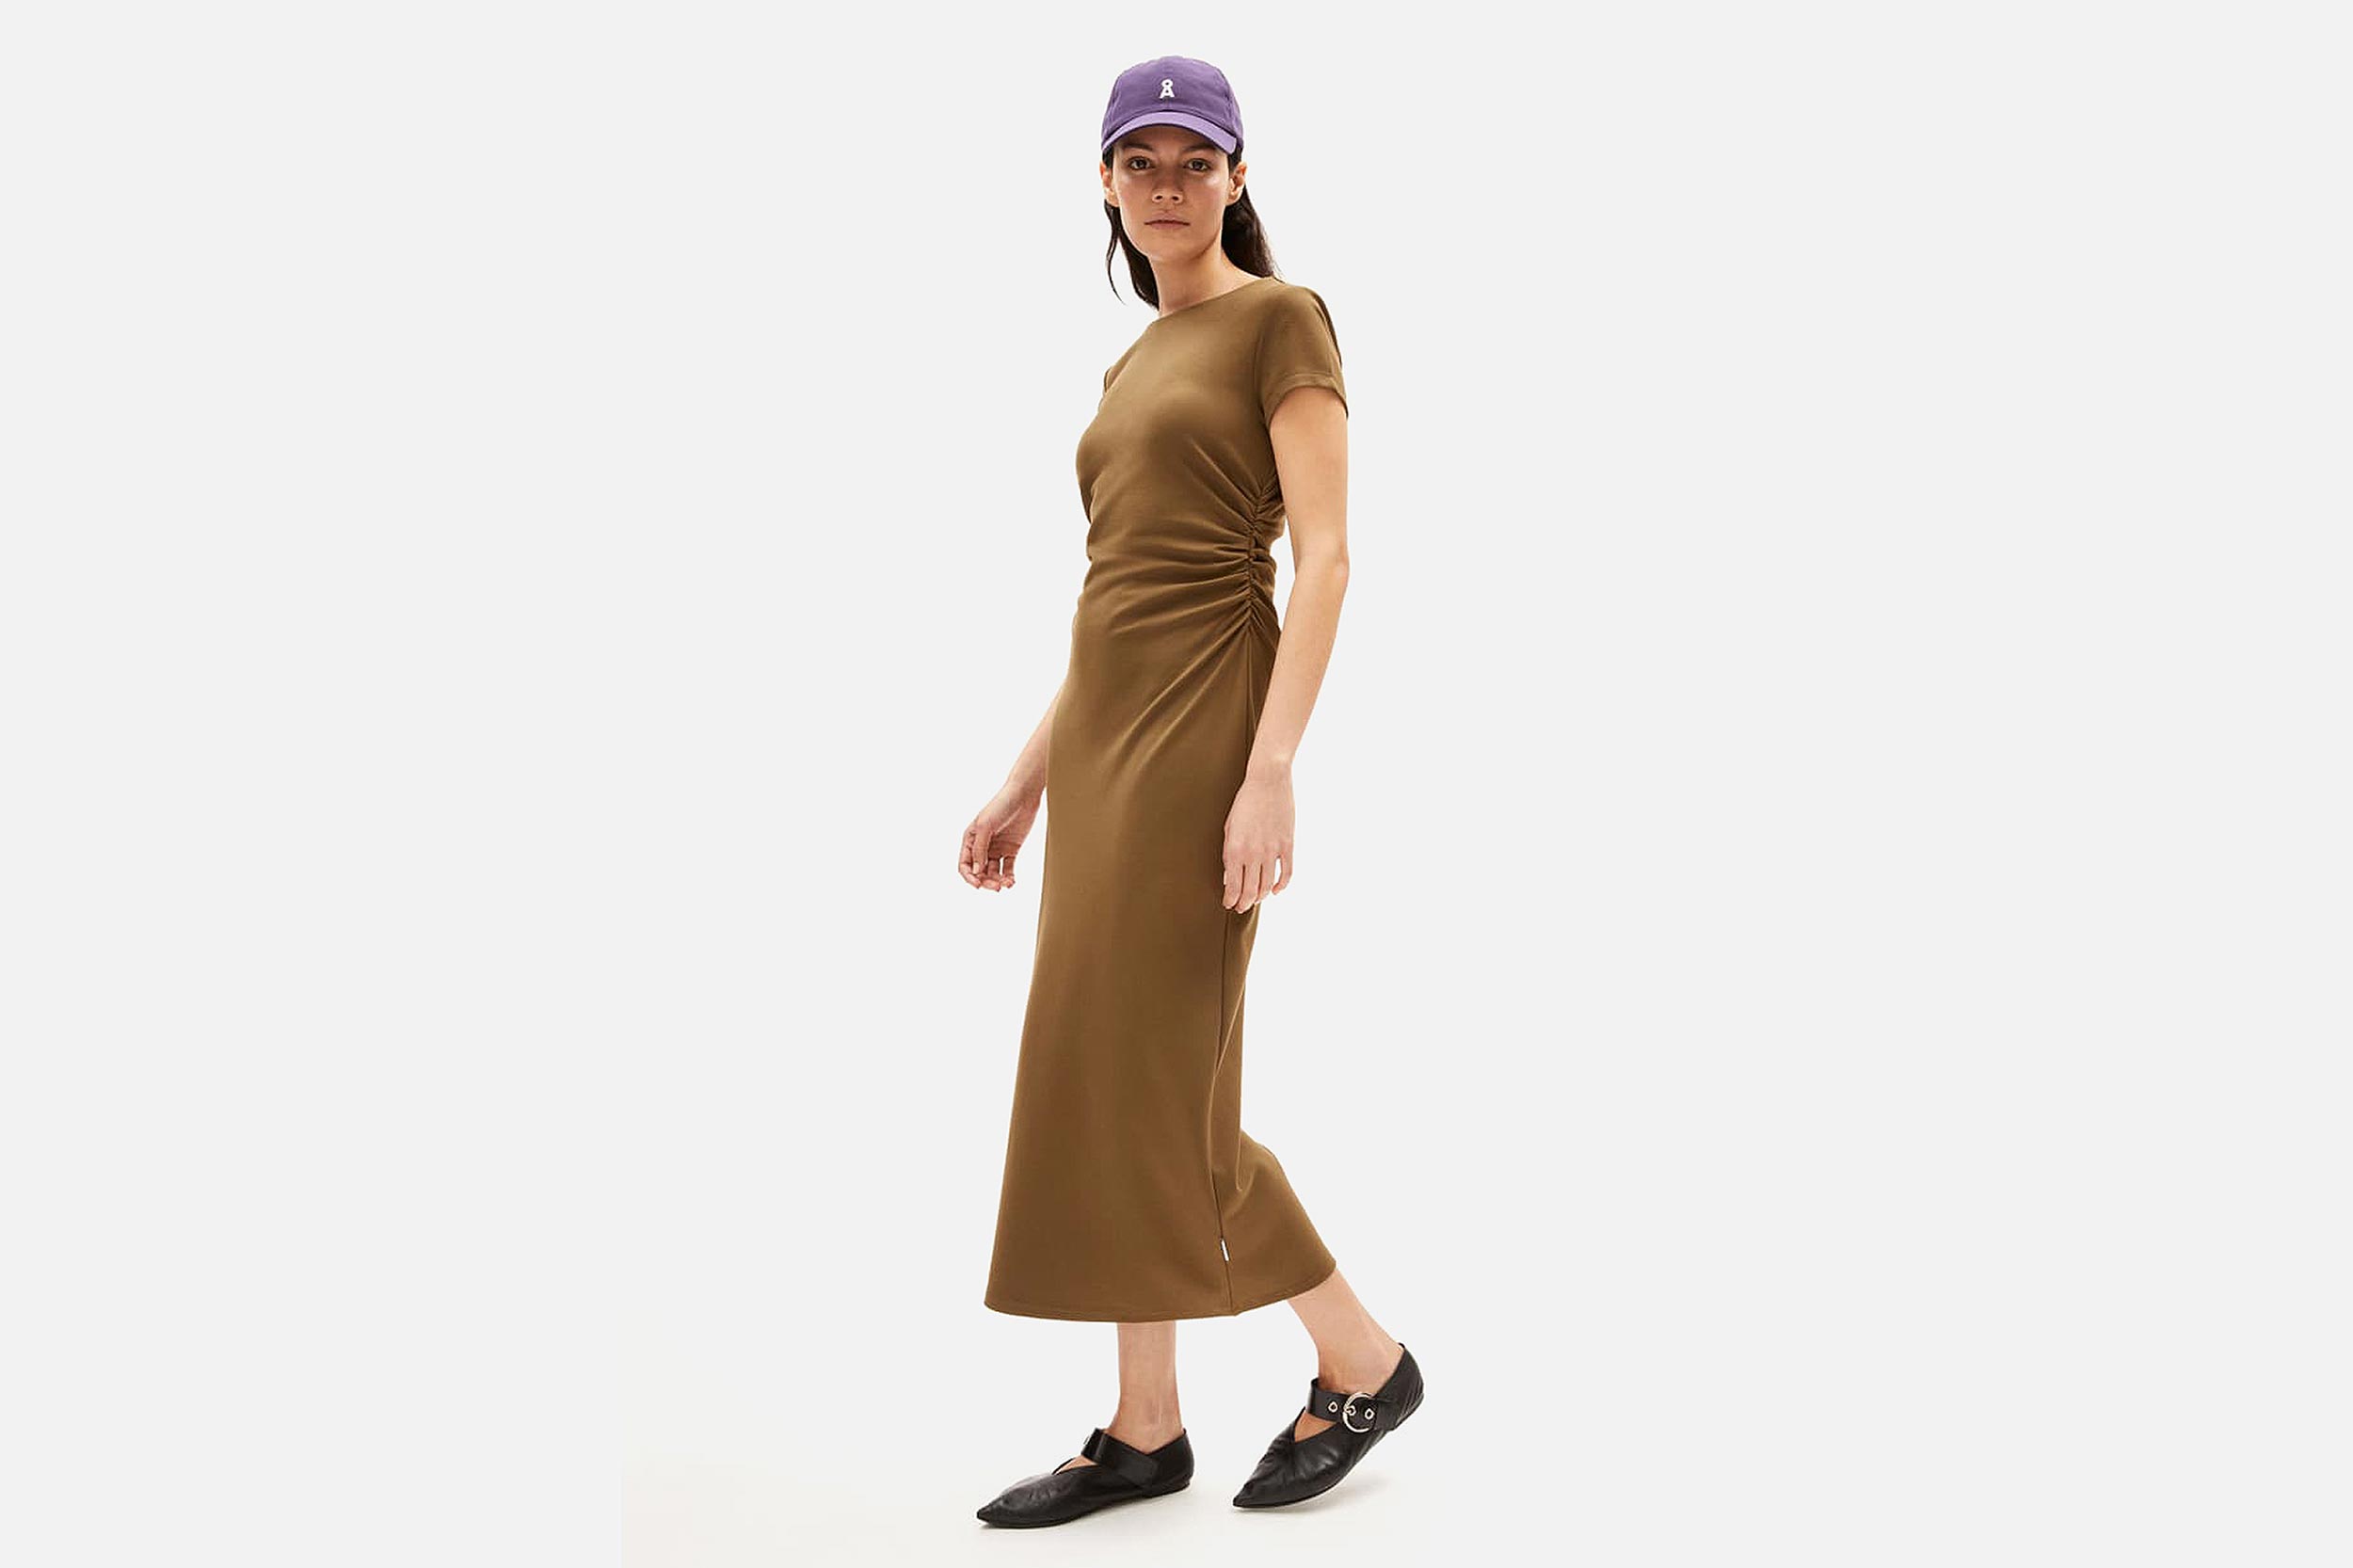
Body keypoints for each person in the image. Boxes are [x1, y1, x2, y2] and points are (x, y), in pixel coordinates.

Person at [955, 56, 1425, 1528]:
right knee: (1107, 1071)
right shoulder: (1132, 364)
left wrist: (1270, 768)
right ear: (1105, 182)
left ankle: (1363, 1360)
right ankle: (1145, 1426)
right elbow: (1115, 597)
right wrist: (1024, 781)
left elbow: (1327, 557)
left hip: (1209, 724)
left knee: (1166, 1089)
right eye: (1141, 162)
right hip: (1104, 744)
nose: (1168, 185)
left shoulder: (1281, 321)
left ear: (1236, 176)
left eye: (1195, 161)